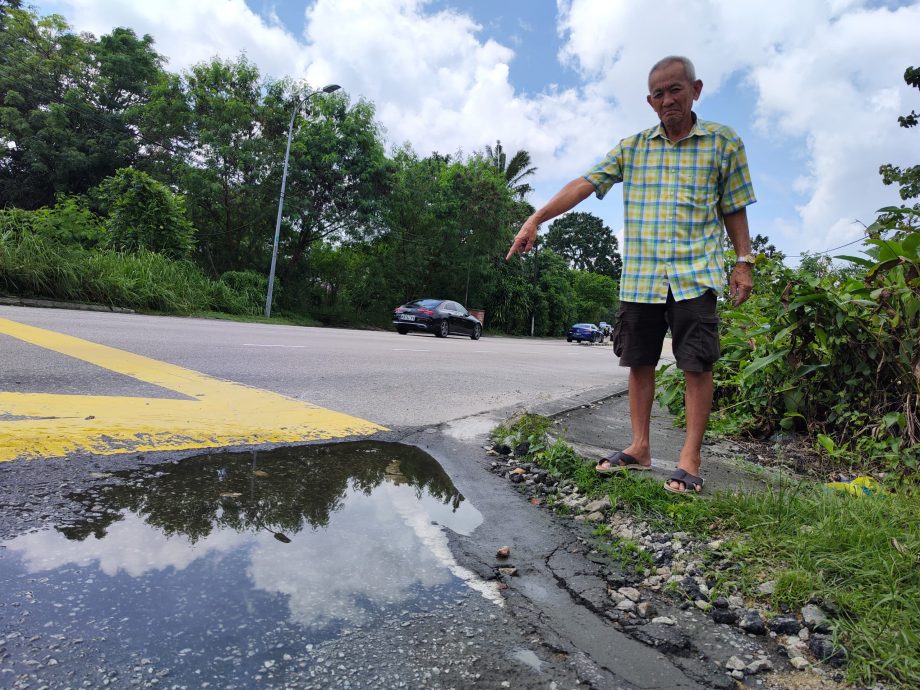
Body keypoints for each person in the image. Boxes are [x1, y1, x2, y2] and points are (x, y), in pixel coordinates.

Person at [505, 56, 756, 494]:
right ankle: (640, 448)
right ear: (649, 101)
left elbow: (732, 205)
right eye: (658, 94)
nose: (667, 99)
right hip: (641, 276)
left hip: (694, 272)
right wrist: (536, 218)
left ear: (695, 90)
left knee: (697, 363)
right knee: (639, 361)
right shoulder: (633, 147)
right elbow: (584, 182)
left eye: (675, 89)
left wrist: (743, 261)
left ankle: (689, 459)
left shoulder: (723, 142)